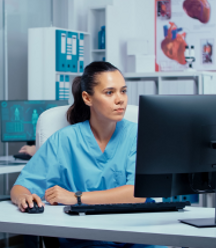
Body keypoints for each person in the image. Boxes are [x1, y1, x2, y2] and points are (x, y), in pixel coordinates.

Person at [11, 61, 166, 248]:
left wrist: (75, 198)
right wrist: (23, 198)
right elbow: (21, 187)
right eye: (110, 92)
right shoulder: (64, 140)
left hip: (135, 236)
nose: (120, 99)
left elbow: (137, 193)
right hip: (85, 238)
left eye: (123, 91)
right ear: (87, 98)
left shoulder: (138, 135)